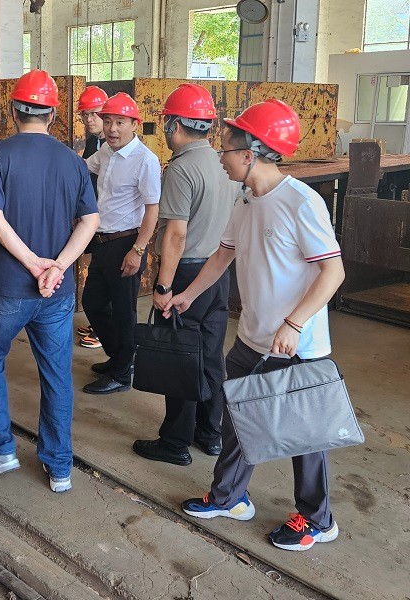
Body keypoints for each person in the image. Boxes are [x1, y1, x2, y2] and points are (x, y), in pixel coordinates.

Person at [166, 99, 345, 551]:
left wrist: (294, 323)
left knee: (305, 435)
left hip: (296, 344)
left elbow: (333, 273)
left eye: (225, 149)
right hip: (252, 336)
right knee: (238, 418)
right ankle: (230, 497)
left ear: (250, 154)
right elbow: (222, 255)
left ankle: (318, 520)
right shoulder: (245, 200)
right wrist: (189, 294)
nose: (220, 157)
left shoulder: (301, 203)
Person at [0, 69, 99, 493]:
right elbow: (90, 220)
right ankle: (59, 467)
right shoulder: (73, 161)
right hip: (57, 292)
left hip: (8, 286)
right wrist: (56, 267)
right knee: (57, 374)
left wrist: (32, 263)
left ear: (13, 110)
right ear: (54, 114)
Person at [133, 84, 238, 466]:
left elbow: (176, 235)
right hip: (218, 272)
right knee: (210, 354)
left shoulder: (180, 169)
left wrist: (163, 286)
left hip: (188, 273)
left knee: (180, 356)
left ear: (174, 124)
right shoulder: (224, 164)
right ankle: (209, 434)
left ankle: (175, 442)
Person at [82, 92, 160, 395]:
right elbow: (83, 167)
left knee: (124, 311)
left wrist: (137, 251)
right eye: (108, 121)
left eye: (119, 122)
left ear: (134, 124)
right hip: (102, 242)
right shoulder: (105, 151)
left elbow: (152, 210)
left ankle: (122, 373)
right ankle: (120, 358)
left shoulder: (145, 160)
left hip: (126, 242)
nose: (112, 129)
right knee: (93, 303)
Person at [75, 85, 108, 350]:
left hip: (112, 223)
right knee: (97, 269)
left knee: (107, 279)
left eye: (93, 113)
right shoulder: (92, 143)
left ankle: (102, 331)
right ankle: (98, 323)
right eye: (85, 114)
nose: (89, 119)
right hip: (94, 218)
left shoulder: (114, 145)